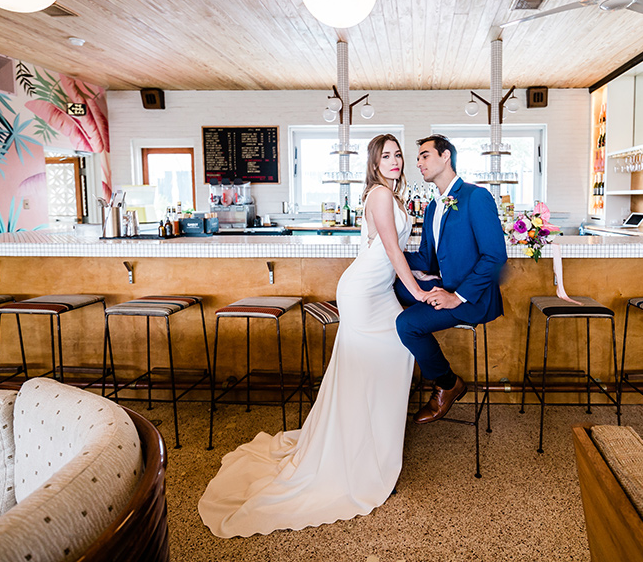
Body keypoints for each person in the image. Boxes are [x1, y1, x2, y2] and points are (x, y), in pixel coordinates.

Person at [198, 134, 430, 537]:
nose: (394, 161)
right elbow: (392, 252)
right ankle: (358, 453)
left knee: (395, 354)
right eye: (385, 156)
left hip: (376, 290)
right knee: (377, 360)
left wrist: (418, 275)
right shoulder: (379, 195)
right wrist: (417, 290)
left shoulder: (391, 195)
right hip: (362, 293)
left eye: (397, 154)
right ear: (374, 164)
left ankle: (370, 446)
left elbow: (387, 253)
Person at [394, 134, 507, 424]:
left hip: (472, 298)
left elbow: (495, 256)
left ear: (446, 157)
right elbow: (427, 260)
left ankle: (447, 383)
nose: (418, 162)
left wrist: (456, 297)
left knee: (407, 324)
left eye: (425, 155)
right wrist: (387, 255)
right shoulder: (433, 207)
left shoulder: (475, 196)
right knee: (392, 289)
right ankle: (391, 379)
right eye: (417, 157)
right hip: (445, 286)